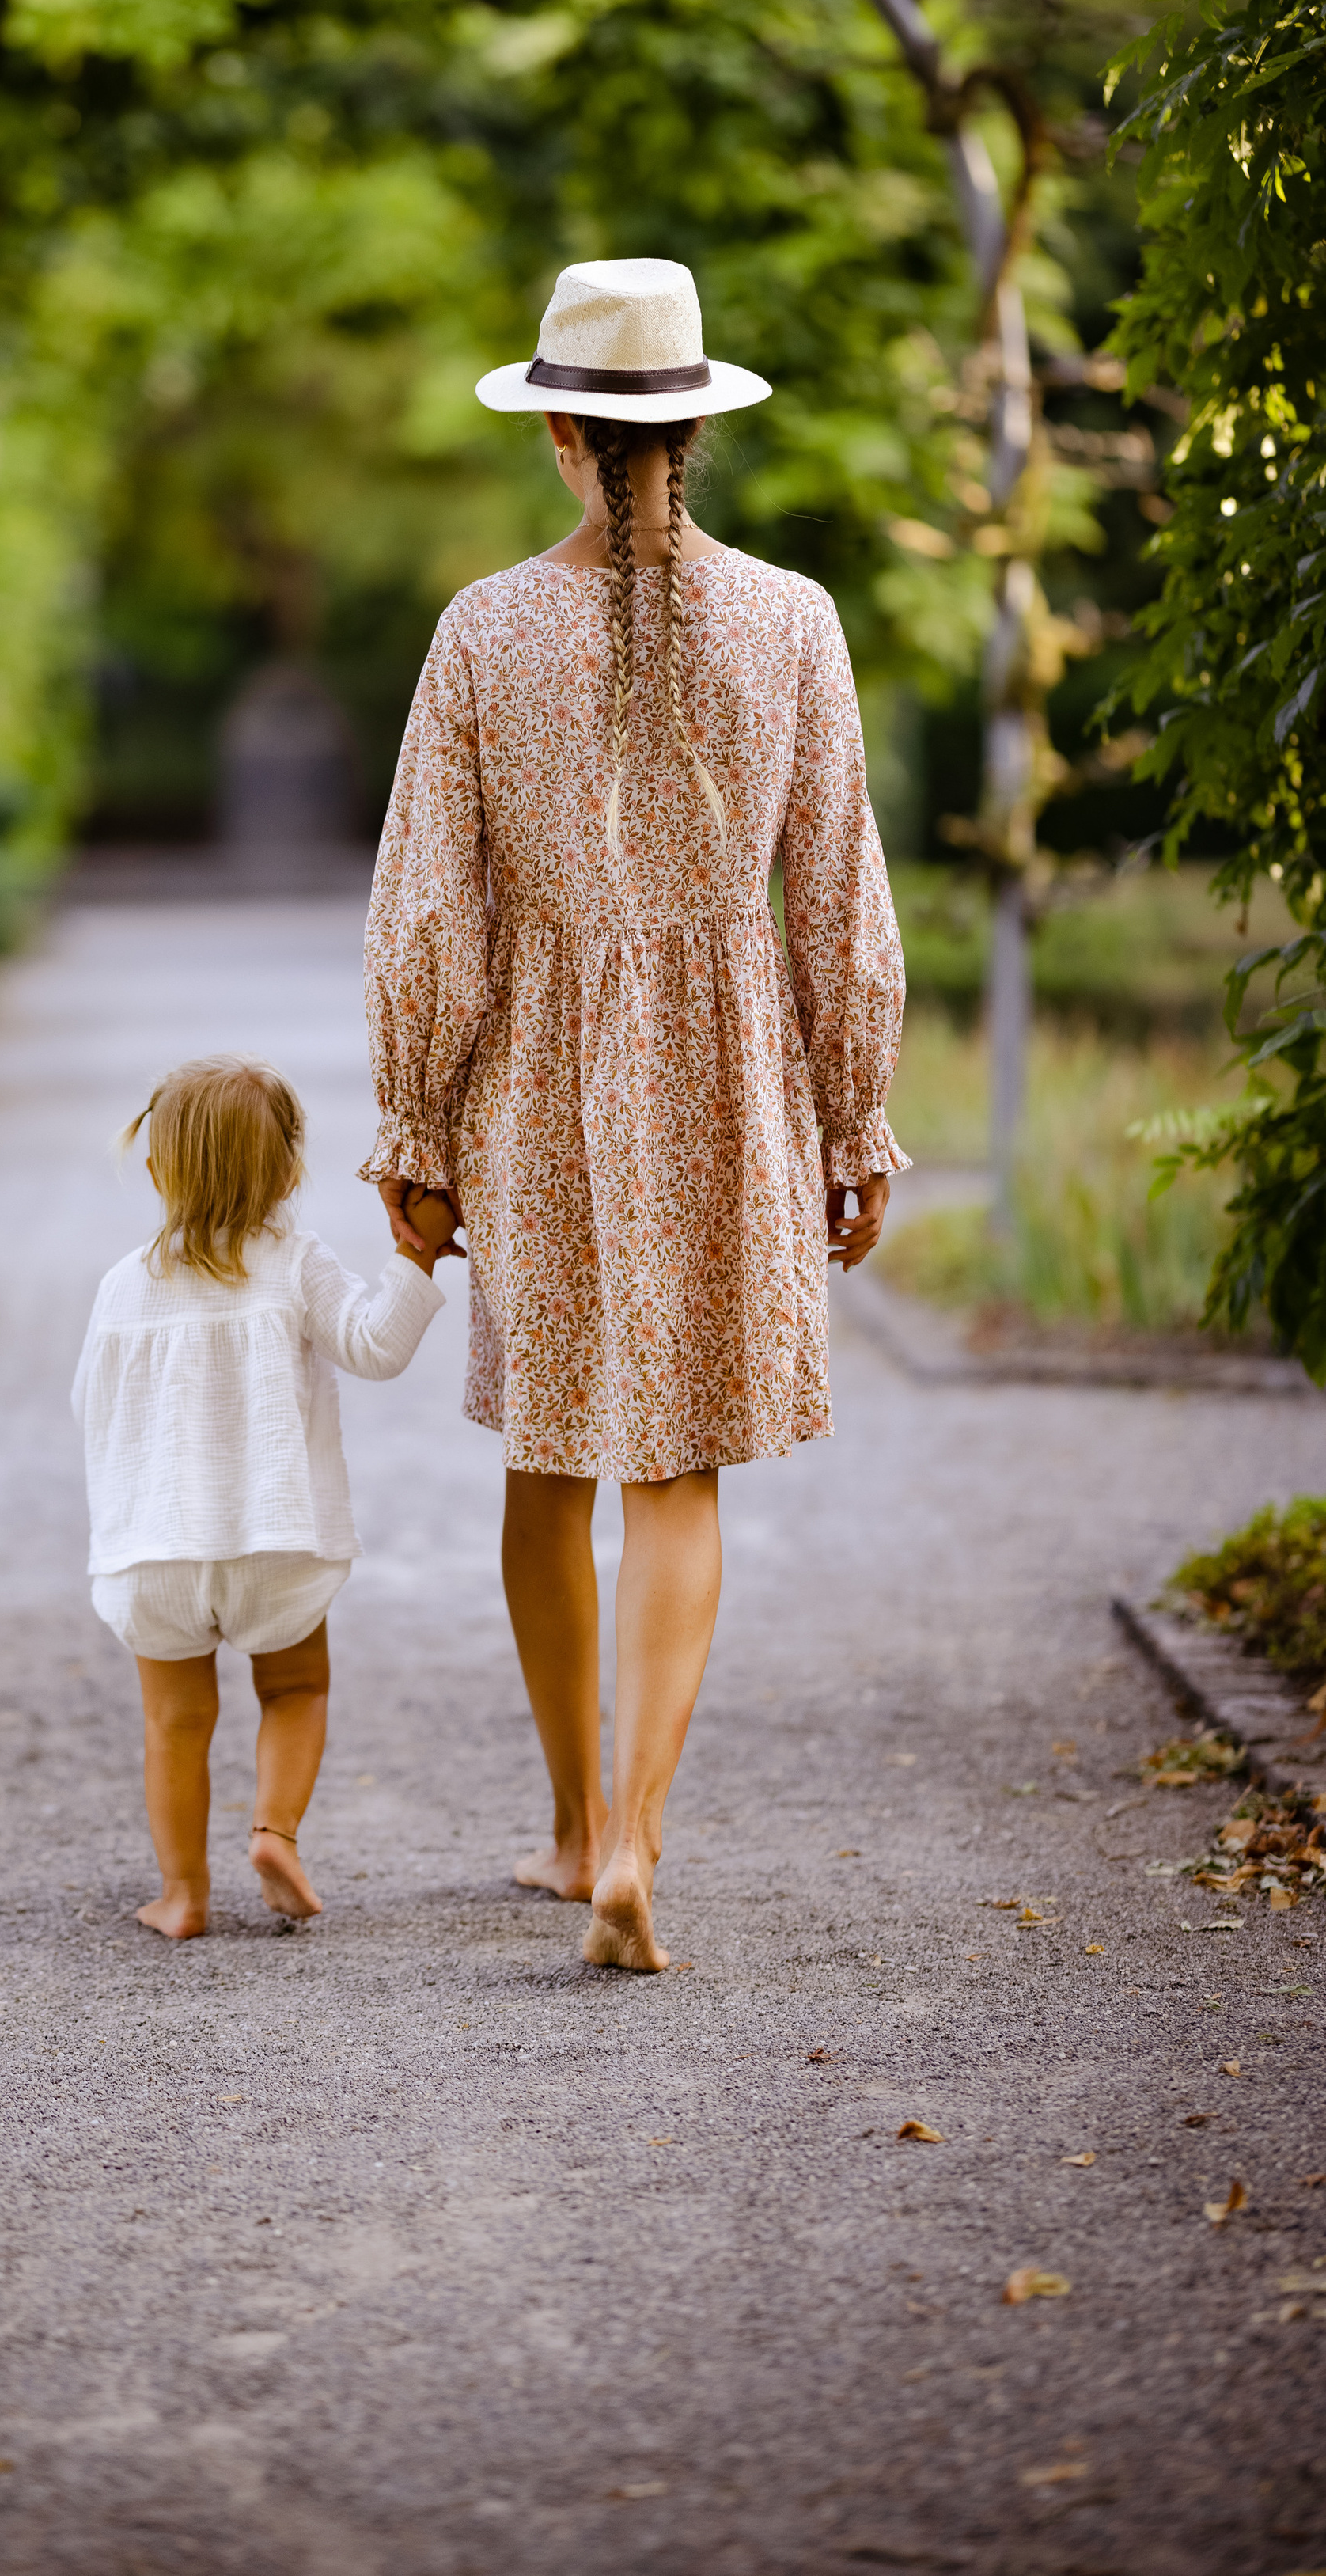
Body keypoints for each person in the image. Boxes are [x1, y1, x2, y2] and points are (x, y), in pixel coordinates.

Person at [362, 256, 908, 1972]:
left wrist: (414, 1130)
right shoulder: (794, 621)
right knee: (676, 1472)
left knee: (547, 1455)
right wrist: (853, 1120)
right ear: (690, 433)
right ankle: (642, 1838)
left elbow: (426, 914)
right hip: (730, 1075)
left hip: (532, 1075)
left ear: (555, 437)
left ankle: (572, 1825)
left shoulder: (478, 632)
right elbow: (837, 898)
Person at [74, 1055, 457, 1940]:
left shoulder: (123, 1284)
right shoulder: (295, 1263)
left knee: (173, 1721)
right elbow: (374, 1347)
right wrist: (417, 1250)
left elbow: (90, 1405)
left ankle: (182, 1895)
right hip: (275, 1542)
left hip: (157, 1550)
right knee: (294, 1692)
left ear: (157, 1170)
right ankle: (274, 1832)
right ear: (289, 1172)